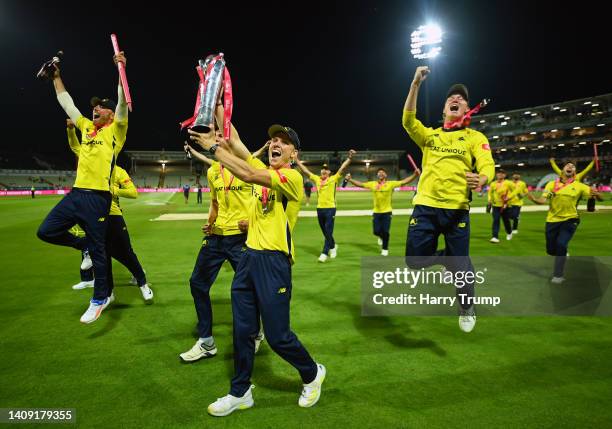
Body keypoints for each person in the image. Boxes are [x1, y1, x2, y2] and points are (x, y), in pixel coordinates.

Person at [188, 123, 325, 416]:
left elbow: (247, 172)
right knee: (243, 331)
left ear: (293, 153)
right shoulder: (262, 169)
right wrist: (219, 89)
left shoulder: (291, 177)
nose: (276, 144)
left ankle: (312, 373)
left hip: (274, 263)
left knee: (278, 337)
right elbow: (235, 140)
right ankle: (240, 392)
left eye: (284, 142)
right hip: (248, 258)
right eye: (274, 140)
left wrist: (213, 147)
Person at [36, 50, 128, 324]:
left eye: (100, 107)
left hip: (98, 199)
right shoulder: (87, 127)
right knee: (46, 231)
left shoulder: (116, 130)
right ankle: (83, 246)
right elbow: (66, 102)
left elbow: (123, 102)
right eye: (94, 106)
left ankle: (99, 298)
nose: (95, 108)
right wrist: (56, 77)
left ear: (110, 113)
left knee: (101, 252)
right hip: (76, 195)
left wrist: (121, 70)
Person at [402, 66, 495, 333]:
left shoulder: (475, 137)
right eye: (450, 98)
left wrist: (484, 178)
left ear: (467, 109)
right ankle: (449, 259)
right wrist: (415, 84)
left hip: (457, 210)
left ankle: (466, 306)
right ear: (444, 110)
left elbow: (487, 163)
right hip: (426, 207)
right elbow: (408, 121)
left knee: (461, 267)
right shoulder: (431, 136)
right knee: (414, 261)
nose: (456, 99)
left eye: (462, 98)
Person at [181, 135, 264, 363]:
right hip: (216, 237)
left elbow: (263, 199)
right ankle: (206, 341)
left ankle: (256, 332)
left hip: (242, 239)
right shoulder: (213, 171)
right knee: (197, 283)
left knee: (249, 289)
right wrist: (210, 221)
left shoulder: (246, 167)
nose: (215, 140)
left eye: (220, 137)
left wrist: (252, 221)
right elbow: (215, 202)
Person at [66, 120, 152, 302]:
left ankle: (142, 282)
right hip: (95, 214)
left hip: (114, 215)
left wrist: (112, 190)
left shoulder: (119, 171)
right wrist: (70, 130)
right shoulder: (91, 162)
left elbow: (133, 193)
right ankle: (109, 292)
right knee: (103, 256)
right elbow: (75, 147)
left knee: (126, 252)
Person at [528, 162, 597, 283]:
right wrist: (535, 200)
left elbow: (595, 195)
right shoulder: (551, 185)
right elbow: (543, 200)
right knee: (551, 250)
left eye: (573, 166)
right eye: (568, 165)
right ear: (562, 170)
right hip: (552, 220)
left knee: (561, 244)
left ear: (575, 172)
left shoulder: (579, 185)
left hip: (571, 219)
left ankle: (558, 275)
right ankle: (562, 252)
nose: (570, 167)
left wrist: (595, 194)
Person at [295, 151, 356, 262]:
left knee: (328, 231)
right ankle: (333, 246)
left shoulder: (333, 179)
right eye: (322, 169)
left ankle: (324, 253)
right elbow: (305, 171)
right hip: (319, 209)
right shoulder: (317, 179)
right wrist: (297, 160)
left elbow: (342, 168)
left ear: (329, 172)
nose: (323, 170)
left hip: (330, 209)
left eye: (326, 169)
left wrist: (350, 158)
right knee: (325, 231)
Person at [345, 168, 419, 255]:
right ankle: (381, 237)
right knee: (376, 231)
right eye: (378, 172)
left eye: (382, 172)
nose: (380, 173)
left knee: (386, 232)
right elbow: (360, 184)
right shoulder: (373, 184)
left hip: (387, 212)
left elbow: (404, 182)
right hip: (376, 212)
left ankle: (385, 249)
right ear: (377, 175)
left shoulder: (390, 184)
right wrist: (350, 179)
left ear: (385, 175)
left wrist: (415, 175)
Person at [487, 169, 516, 243]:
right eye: (499, 173)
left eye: (502, 173)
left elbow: (515, 191)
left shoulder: (509, 183)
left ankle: (509, 232)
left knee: (506, 221)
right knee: (496, 220)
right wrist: (489, 200)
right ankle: (495, 237)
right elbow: (490, 193)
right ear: (496, 175)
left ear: (504, 175)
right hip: (495, 206)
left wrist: (509, 197)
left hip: (505, 205)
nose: (500, 174)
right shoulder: (493, 184)